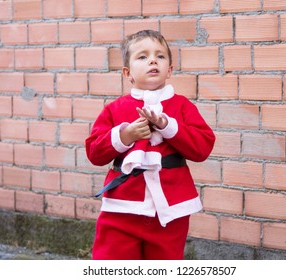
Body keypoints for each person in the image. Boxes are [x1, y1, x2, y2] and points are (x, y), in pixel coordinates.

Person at [85, 30, 215, 260]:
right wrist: (124, 136)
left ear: (170, 69)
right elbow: (94, 153)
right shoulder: (115, 109)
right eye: (142, 57)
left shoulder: (182, 106)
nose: (153, 60)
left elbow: (203, 147)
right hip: (121, 208)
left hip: (170, 210)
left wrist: (168, 126)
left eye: (160, 56)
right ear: (128, 73)